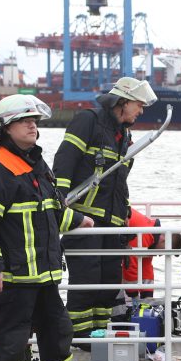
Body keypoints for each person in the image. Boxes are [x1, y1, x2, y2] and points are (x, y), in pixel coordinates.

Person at [0, 95, 93, 361]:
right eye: (25, 121)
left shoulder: (35, 163)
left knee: (57, 329)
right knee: (10, 341)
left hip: (44, 274)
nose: (32, 125)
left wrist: (78, 221)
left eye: (34, 120)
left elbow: (49, 212)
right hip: (14, 277)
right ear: (6, 127)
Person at [53, 76, 157, 341]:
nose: (141, 111)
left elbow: (119, 183)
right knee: (86, 282)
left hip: (112, 224)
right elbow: (64, 162)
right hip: (84, 220)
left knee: (108, 282)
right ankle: (77, 336)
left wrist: (125, 219)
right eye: (138, 105)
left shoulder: (124, 135)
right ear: (122, 101)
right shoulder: (88, 121)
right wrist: (61, 206)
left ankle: (98, 334)